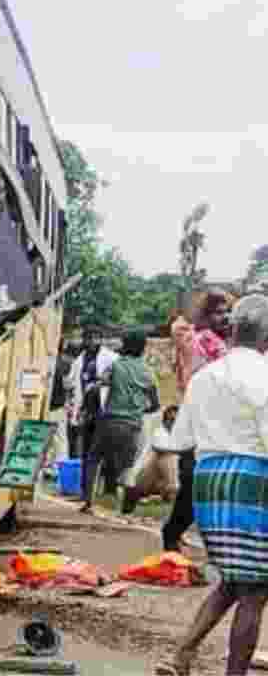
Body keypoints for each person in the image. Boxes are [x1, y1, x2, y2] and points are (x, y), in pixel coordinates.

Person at [155, 295, 268, 676]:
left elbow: (180, 439)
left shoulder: (205, 377)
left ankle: (180, 657)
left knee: (234, 581)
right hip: (251, 483)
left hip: (207, 484)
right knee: (256, 590)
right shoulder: (265, 376)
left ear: (233, 330)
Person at [160, 289, 236, 551]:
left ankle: (179, 533)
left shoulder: (226, 344)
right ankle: (171, 534)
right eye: (218, 312)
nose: (224, 317)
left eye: (228, 312)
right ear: (206, 315)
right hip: (200, 424)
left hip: (221, 426)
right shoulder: (201, 342)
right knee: (194, 486)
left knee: (208, 487)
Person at [81, 328, 160, 514]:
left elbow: (96, 387)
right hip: (132, 425)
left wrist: (88, 404)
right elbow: (155, 404)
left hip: (110, 421)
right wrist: (139, 410)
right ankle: (127, 504)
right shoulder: (148, 372)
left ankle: (88, 502)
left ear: (124, 345)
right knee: (128, 466)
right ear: (143, 347)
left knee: (94, 458)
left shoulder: (116, 366)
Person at [66, 329, 118, 466]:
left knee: (104, 445)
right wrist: (72, 405)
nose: (93, 341)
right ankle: (86, 472)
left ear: (101, 339)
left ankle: (101, 471)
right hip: (86, 409)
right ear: (84, 340)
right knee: (86, 445)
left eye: (96, 338)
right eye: (89, 338)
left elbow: (116, 378)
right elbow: (72, 383)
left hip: (103, 408)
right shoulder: (79, 360)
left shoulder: (111, 357)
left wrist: (100, 383)